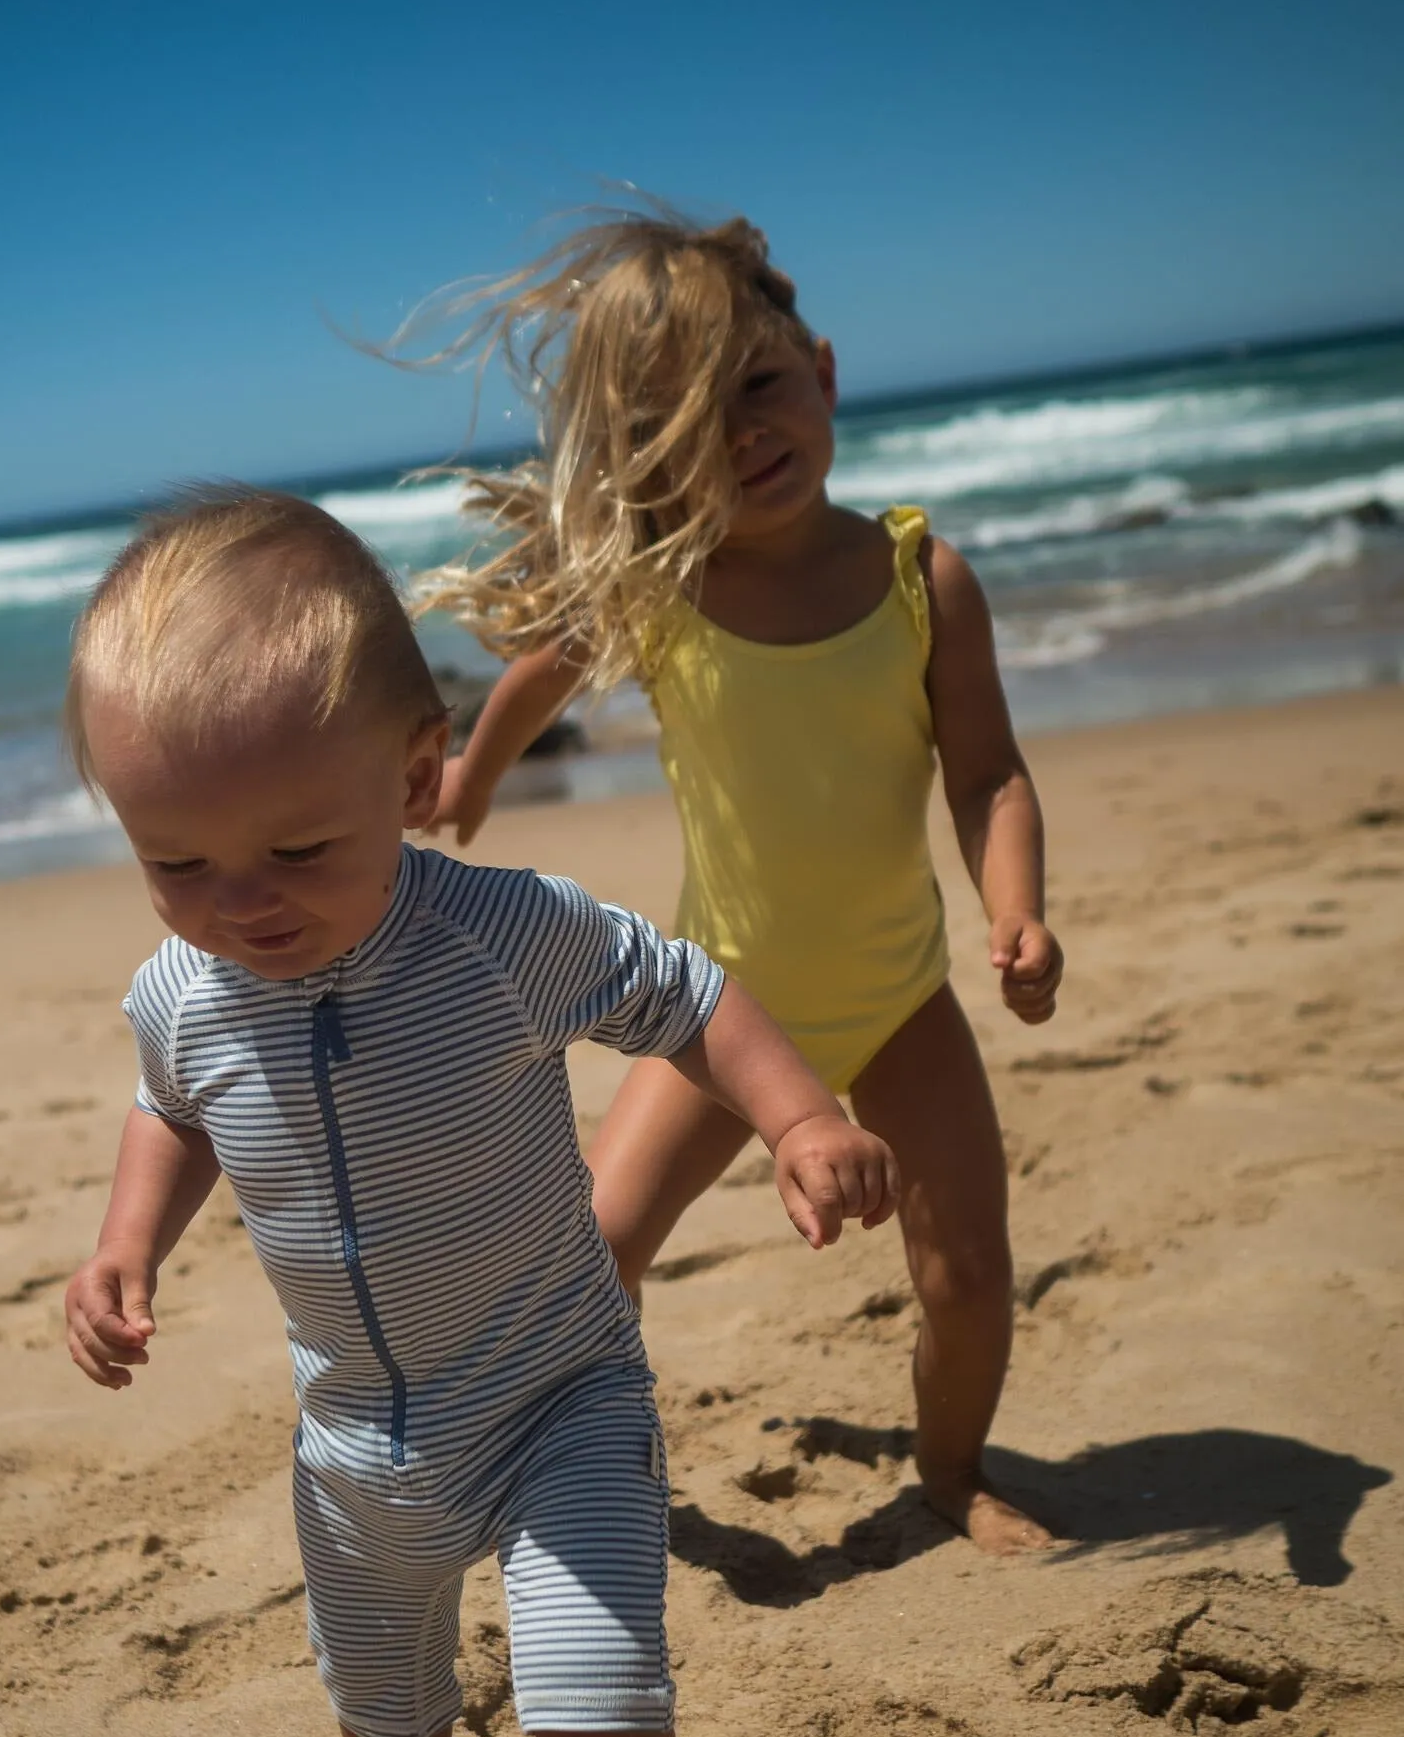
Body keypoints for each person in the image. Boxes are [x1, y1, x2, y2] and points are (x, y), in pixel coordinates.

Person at [61, 486, 898, 1737]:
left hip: (553, 1388)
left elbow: (689, 994)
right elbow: (172, 1107)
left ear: (416, 770)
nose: (245, 901)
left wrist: (798, 1115)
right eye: (177, 861)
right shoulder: (186, 990)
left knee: (593, 1681)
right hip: (355, 1432)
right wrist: (127, 1245)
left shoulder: (496, 936)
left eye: (300, 848)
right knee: (380, 1689)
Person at [403, 206, 1065, 1555]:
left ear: (819, 373)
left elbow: (987, 773)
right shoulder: (661, 590)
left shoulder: (921, 581)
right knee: (595, 1253)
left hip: (898, 997)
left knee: (969, 1274)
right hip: (717, 1011)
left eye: (756, 389)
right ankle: (603, 1476)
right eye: (687, 423)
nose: (740, 435)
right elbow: (544, 668)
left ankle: (949, 1474)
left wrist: (1017, 910)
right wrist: (471, 778)